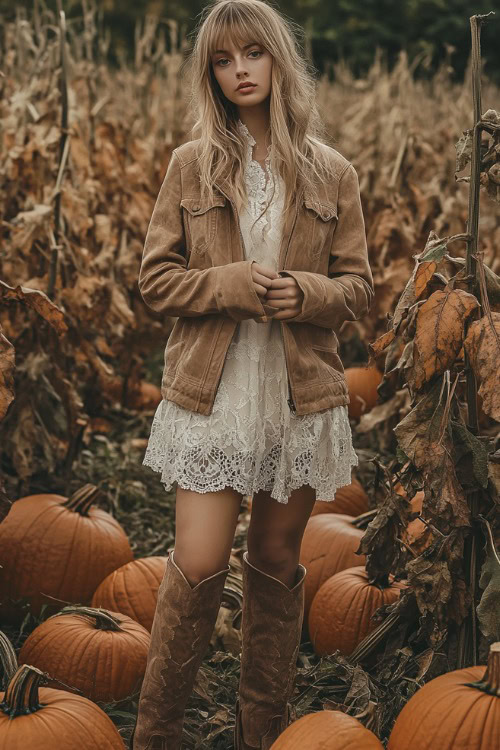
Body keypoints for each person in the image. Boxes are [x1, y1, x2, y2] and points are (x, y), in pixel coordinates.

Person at [131, 1, 374, 748]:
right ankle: (157, 730)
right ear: (211, 73)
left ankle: (261, 730)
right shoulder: (191, 166)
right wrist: (230, 285)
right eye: (223, 59)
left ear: (278, 61)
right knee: (199, 561)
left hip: (299, 395)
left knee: (274, 558)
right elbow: (155, 280)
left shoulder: (333, 172)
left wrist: (306, 293)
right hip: (215, 391)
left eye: (253, 54)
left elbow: (360, 290)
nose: (240, 70)